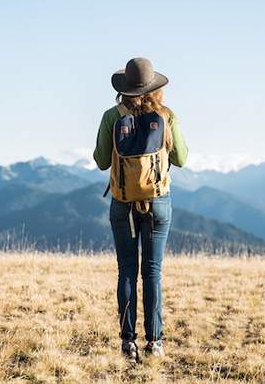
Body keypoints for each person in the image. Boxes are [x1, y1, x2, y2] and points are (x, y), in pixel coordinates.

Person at [93, 57, 188, 362]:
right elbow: (182, 158)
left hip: (122, 202)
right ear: (154, 86)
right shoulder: (166, 116)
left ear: (124, 88)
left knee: (127, 271)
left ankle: (127, 342)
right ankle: (155, 342)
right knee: (153, 272)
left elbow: (101, 161)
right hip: (158, 200)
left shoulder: (112, 116)